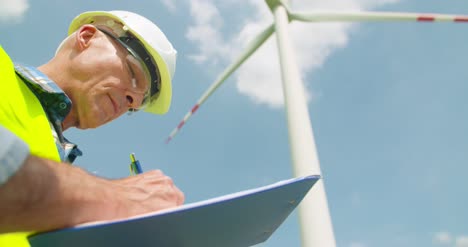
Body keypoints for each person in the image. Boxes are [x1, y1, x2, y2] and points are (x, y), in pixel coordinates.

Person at [0, 10, 184, 247]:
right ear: (86, 37)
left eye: (134, 106)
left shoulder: (63, 177)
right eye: (134, 73)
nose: (132, 101)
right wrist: (122, 199)